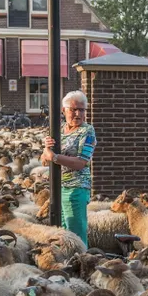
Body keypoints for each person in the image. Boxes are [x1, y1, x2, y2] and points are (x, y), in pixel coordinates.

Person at [41, 90, 96, 245]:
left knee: (75, 233)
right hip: (58, 187)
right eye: (73, 109)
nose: (78, 114)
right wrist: (46, 150)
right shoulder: (57, 130)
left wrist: (55, 157)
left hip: (76, 187)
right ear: (64, 110)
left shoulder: (87, 131)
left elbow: (81, 162)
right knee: (62, 233)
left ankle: (81, 264)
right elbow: (44, 161)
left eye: (82, 109)